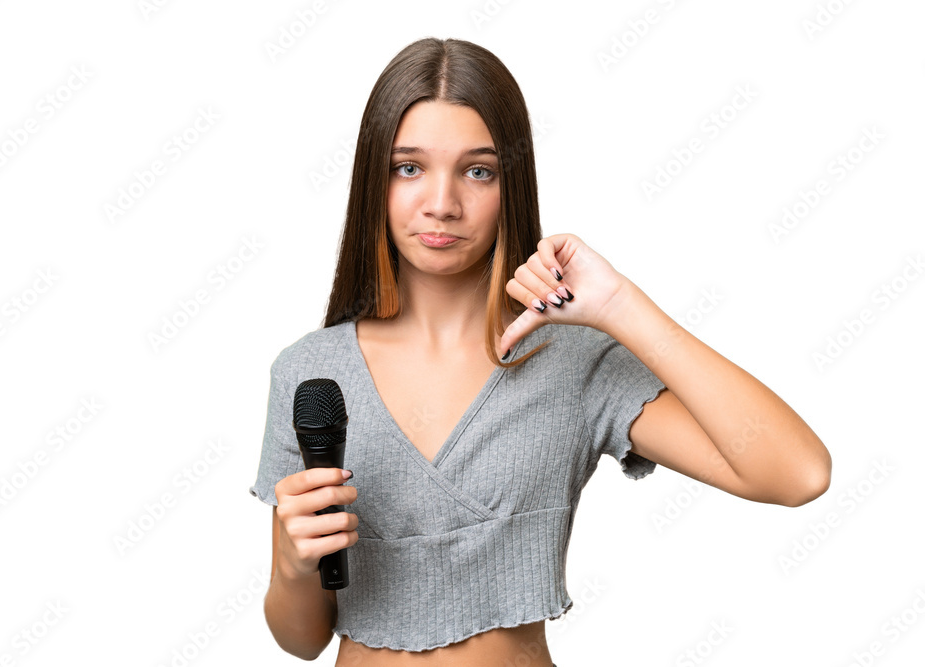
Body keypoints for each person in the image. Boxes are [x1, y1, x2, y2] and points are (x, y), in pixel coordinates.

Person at [249, 37, 832, 666]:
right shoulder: (310, 373)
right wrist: (290, 565)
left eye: (478, 171)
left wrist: (621, 307)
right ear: (374, 179)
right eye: (409, 167)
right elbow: (302, 639)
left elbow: (798, 474)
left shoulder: (571, 362)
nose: (442, 202)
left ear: (512, 182)